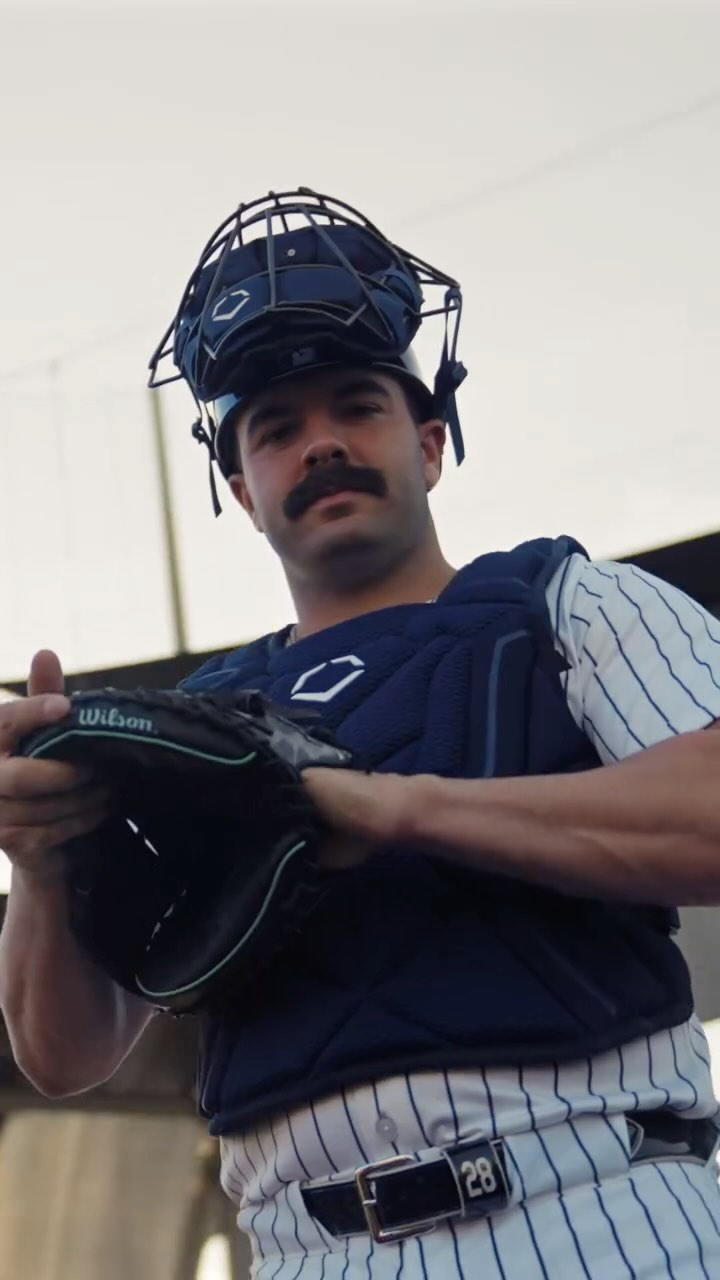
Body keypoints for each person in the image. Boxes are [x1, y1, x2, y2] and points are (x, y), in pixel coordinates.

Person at [2, 188, 720, 1279]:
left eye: (356, 406)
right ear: (242, 490)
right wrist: (44, 856)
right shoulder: (191, 724)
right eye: (277, 430)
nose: (322, 444)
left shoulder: (566, 601)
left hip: (602, 1211)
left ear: (430, 443)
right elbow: (66, 1054)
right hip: (310, 1250)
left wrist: (394, 804)